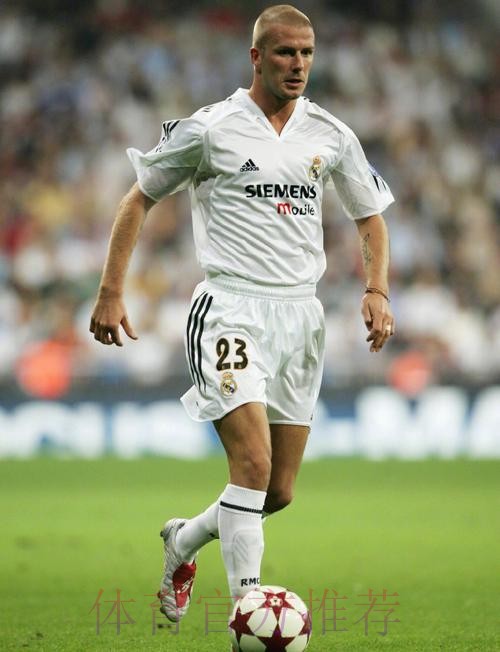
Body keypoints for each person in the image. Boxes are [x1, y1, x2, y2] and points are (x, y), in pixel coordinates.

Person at [90, 4, 395, 623]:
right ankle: (247, 617)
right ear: (256, 57)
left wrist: (377, 289)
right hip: (230, 307)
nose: (298, 64)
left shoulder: (330, 134)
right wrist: (111, 291)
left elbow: (369, 217)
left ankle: (183, 540)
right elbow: (137, 199)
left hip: (301, 315)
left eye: (307, 53)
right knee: (251, 467)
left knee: (275, 491)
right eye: (285, 52)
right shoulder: (210, 129)